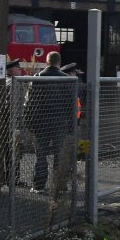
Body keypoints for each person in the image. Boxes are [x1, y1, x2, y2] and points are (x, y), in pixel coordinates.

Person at [26, 51, 76, 194]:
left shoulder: (38, 77)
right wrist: (72, 125)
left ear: (47, 62)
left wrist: (29, 122)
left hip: (41, 122)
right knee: (59, 154)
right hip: (60, 122)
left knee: (40, 155)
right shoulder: (67, 79)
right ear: (59, 63)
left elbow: (30, 102)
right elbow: (71, 104)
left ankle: (39, 185)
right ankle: (59, 186)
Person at [5, 59, 27, 187]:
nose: (20, 71)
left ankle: (10, 177)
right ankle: (14, 179)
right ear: (13, 70)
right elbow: (15, 107)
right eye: (19, 69)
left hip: (6, 122)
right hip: (14, 123)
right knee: (15, 151)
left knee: (9, 151)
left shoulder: (4, 81)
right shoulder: (14, 84)